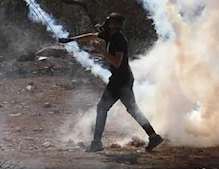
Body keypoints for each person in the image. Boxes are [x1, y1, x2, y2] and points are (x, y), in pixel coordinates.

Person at [59, 13, 164, 153]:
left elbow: (117, 62)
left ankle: (96, 143)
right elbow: (92, 35)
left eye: (111, 23)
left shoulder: (119, 40)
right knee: (132, 109)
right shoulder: (111, 36)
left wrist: (101, 50)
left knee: (102, 108)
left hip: (120, 80)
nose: (108, 25)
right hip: (123, 79)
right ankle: (153, 136)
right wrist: (71, 39)